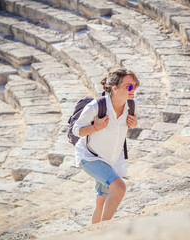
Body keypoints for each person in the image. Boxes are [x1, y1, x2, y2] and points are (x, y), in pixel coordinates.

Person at [72, 68, 139, 224]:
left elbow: (127, 125)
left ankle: (93, 233)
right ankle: (104, 232)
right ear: (114, 88)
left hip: (111, 160)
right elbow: (77, 130)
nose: (133, 89)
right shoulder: (96, 106)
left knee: (102, 202)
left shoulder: (132, 105)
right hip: (90, 157)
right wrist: (96, 127)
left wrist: (134, 123)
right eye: (129, 86)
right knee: (119, 188)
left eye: (135, 85)